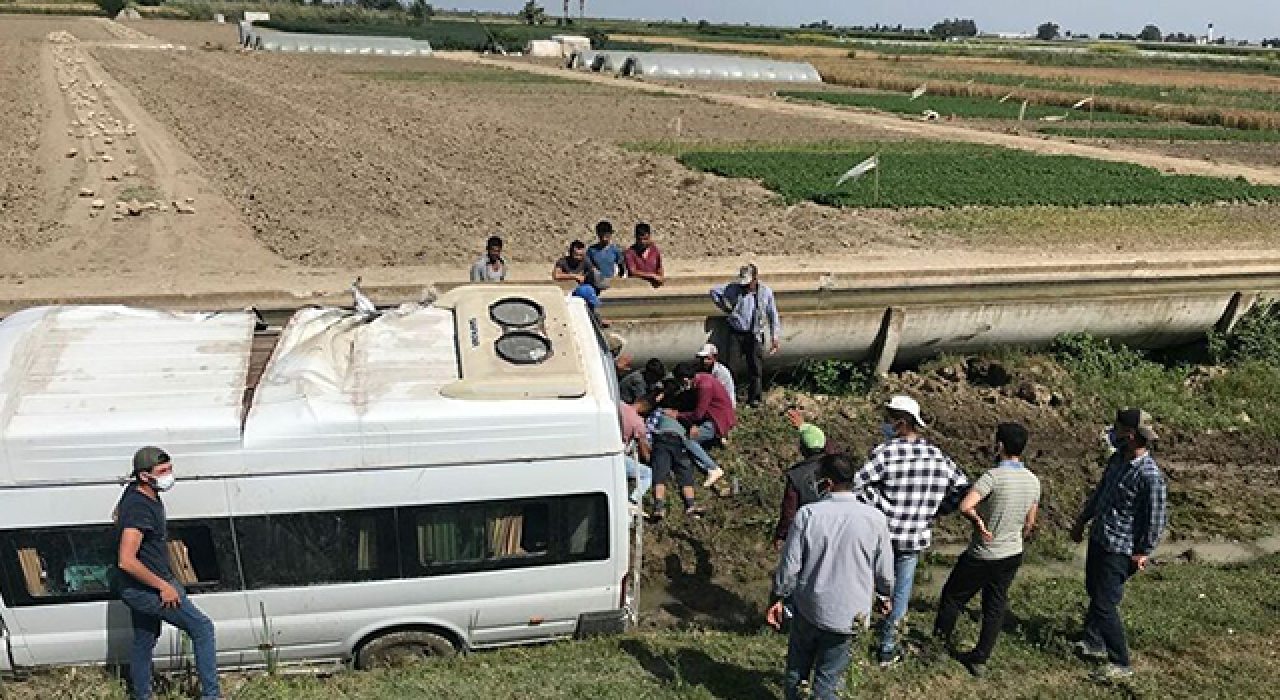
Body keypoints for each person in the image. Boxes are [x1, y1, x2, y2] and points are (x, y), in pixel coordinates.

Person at [853, 395, 969, 666]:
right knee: (901, 592)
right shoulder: (936, 456)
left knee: (867, 585)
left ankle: (854, 638)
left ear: (900, 423)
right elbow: (963, 488)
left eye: (888, 419)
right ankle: (887, 648)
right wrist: (938, 509)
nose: (884, 423)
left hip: (882, 534)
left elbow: (856, 484)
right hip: (914, 536)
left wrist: (877, 506)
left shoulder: (886, 453)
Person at [768, 454, 895, 700]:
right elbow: (884, 570)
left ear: (826, 483)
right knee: (829, 678)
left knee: (797, 669)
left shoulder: (808, 515)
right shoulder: (876, 519)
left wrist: (778, 597)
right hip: (850, 614)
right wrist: (884, 595)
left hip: (809, 608)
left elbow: (790, 566)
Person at [933, 422, 1041, 677]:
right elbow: (1030, 523)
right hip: (1012, 553)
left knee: (953, 596)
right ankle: (980, 658)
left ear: (1000, 445)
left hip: (984, 553)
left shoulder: (992, 477)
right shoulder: (1033, 481)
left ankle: (937, 647)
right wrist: (1017, 537)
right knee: (995, 604)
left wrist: (980, 523)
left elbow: (966, 506)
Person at [1070, 409, 1168, 682]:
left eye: (1118, 429)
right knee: (1094, 589)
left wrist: (1142, 551)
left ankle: (1121, 663)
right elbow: (1100, 493)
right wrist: (1082, 521)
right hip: (1101, 537)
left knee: (1104, 603)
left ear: (1131, 434)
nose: (1113, 433)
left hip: (1122, 548)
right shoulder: (1117, 460)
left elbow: (1156, 519)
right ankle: (1093, 642)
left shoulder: (1150, 476)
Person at [116, 447, 221, 700]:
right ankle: (212, 696)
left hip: (136, 586)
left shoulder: (139, 495)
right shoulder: (139, 508)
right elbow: (126, 560)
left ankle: (141, 695)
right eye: (162, 472)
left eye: (170, 469)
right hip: (146, 587)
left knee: (145, 638)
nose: (169, 475)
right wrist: (163, 586)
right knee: (202, 628)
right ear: (144, 476)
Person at [710, 264, 781, 406]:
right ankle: (728, 397)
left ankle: (754, 399)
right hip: (736, 333)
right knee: (731, 367)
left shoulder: (765, 292)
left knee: (755, 368)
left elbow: (773, 314)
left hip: (755, 334)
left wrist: (775, 336)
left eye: (748, 283)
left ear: (755, 279)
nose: (746, 287)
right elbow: (714, 292)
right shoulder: (734, 289)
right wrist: (725, 308)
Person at [637, 390, 702, 520]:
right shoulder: (681, 416)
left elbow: (648, 428)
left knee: (661, 473)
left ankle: (661, 507)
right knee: (682, 473)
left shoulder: (663, 413)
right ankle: (688, 505)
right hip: (675, 442)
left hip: (666, 441)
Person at [670, 362, 736, 490]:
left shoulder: (704, 387)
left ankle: (713, 468)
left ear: (685, 379)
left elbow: (699, 414)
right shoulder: (703, 378)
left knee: (688, 440)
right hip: (719, 416)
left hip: (717, 420)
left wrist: (678, 415)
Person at [772, 407, 830, 547]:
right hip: (835, 528)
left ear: (802, 449)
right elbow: (829, 446)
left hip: (809, 533)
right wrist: (804, 427)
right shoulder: (836, 465)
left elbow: (789, 511)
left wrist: (781, 534)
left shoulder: (796, 475)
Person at [618, 398, 654, 517]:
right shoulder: (638, 422)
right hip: (618, 455)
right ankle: (632, 501)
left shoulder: (619, 404)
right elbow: (643, 451)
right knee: (647, 473)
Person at [586, 221, 626, 290]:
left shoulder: (615, 250)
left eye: (606, 236)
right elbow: (588, 266)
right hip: (595, 284)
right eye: (601, 236)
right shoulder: (591, 250)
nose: (604, 239)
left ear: (610, 234)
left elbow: (622, 267)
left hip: (611, 284)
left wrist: (617, 278)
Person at [623, 223, 664, 288]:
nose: (642, 242)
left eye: (645, 239)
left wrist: (660, 277)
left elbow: (659, 267)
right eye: (640, 239)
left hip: (653, 288)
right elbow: (633, 272)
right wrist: (651, 276)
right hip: (636, 287)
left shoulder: (655, 250)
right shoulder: (630, 253)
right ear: (636, 238)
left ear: (650, 237)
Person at [696, 342, 736, 408]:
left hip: (723, 404)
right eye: (702, 358)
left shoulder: (721, 372)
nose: (704, 361)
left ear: (714, 357)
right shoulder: (701, 368)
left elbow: (715, 393)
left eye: (707, 358)